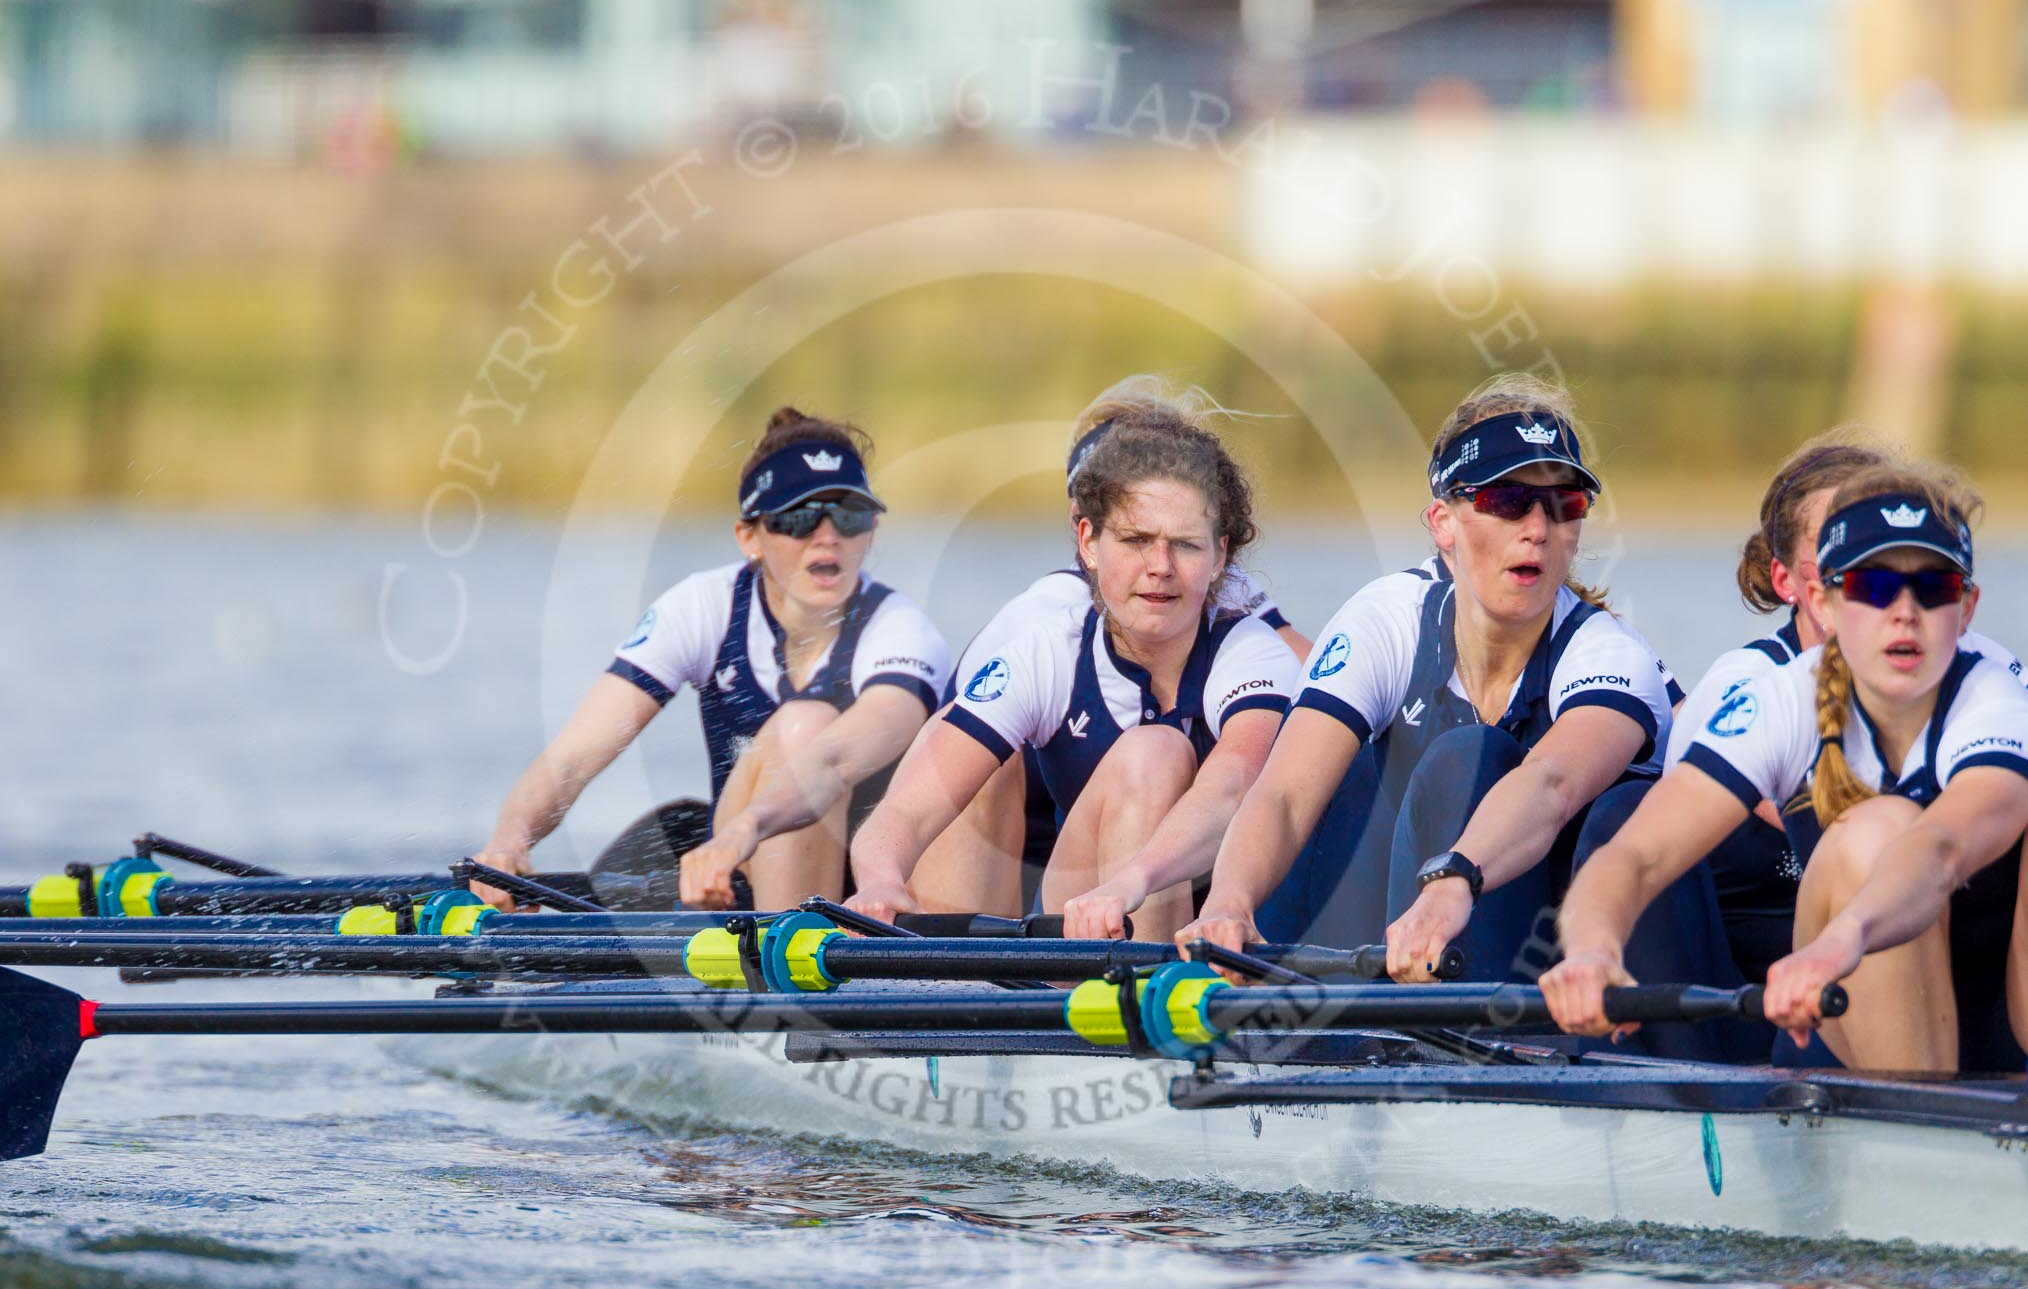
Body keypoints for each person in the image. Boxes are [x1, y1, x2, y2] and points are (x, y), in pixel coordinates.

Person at [1181, 375, 1729, 1057]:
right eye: (1507, 501)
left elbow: (1552, 784)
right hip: (1450, 944)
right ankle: (1284, 1034)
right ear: (1443, 522)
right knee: (1348, 766)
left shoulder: (1611, 656)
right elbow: (1287, 796)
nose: (1538, 528)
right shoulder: (1388, 618)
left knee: (1468, 760)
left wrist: (1453, 880)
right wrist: (1229, 902)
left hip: (1592, 976)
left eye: (1565, 504)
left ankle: (1442, 1063)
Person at [1544, 462, 2028, 1072]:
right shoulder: (1778, 699)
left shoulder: (1995, 700)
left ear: (1966, 608)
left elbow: (1940, 848)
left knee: (1884, 831)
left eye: (1933, 588)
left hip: (2002, 1031)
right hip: (1844, 1032)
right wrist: (1591, 949)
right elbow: (1634, 855)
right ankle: (1921, 1138)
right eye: (1874, 587)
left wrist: (1844, 939)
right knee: (1870, 833)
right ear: (1824, 601)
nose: (1905, 613)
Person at [845, 395, 1299, 943]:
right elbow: (904, 811)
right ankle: (963, 1007)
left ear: (1220, 555)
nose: (1160, 568)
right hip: (1085, 912)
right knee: (955, 737)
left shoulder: (1250, 651)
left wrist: (1132, 881)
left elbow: (1233, 785)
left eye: (1185, 545)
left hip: (1214, 932)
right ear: (1088, 542)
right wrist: (878, 880)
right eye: (1135, 540)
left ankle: (1141, 1010)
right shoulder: (1046, 650)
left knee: (1154, 753)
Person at [473, 407, 949, 912]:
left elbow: (834, 759)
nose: (827, 535)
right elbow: (573, 757)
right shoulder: (704, 607)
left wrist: (750, 824)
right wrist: (511, 840)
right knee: (770, 751)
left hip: (876, 880)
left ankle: (791, 962)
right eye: (800, 517)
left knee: (803, 727)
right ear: (750, 538)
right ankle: (777, 952)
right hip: (742, 860)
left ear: (871, 529)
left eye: (849, 515)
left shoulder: (901, 629)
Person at [1669, 432, 1888, 981]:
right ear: (1788, 582)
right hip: (1753, 992)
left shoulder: (1974, 673)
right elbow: (1839, 825)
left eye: (1878, 542)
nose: (1860, 565)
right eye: (1835, 547)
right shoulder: (1744, 683)